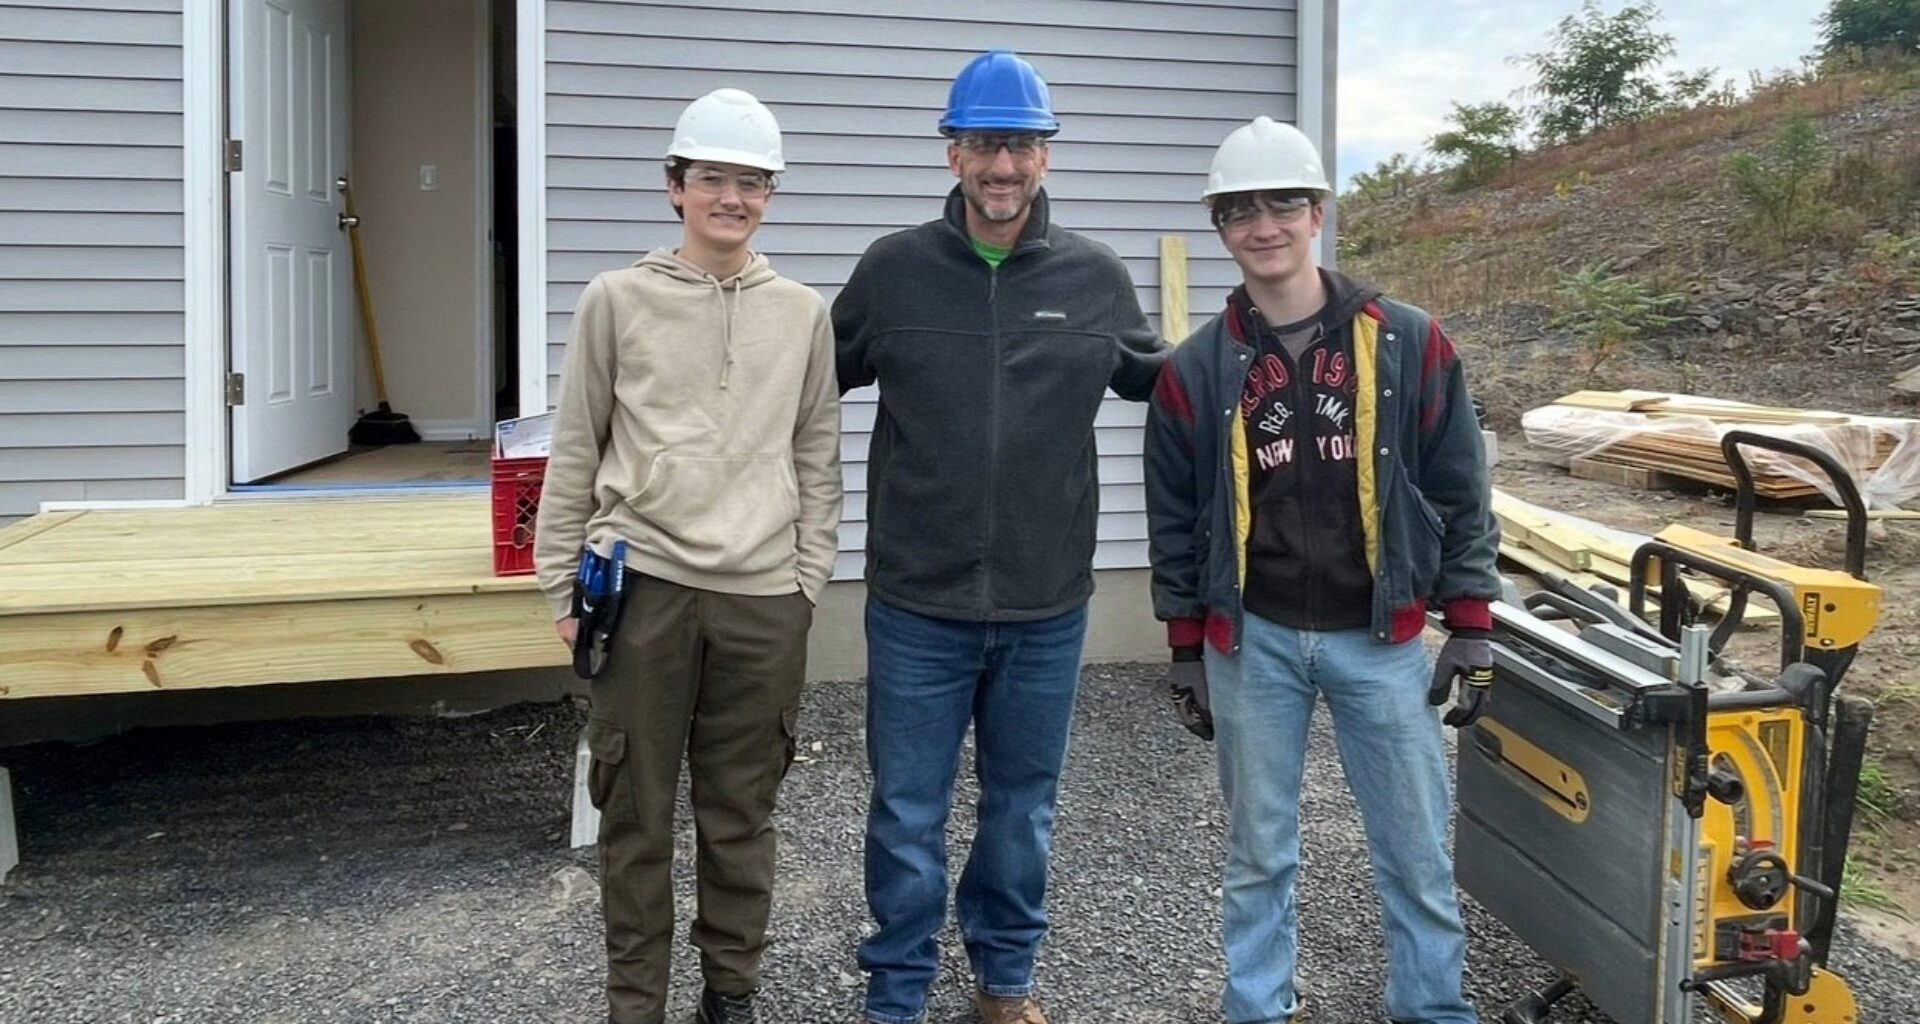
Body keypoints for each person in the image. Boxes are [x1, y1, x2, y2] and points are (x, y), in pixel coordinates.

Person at [832, 49, 1165, 1024]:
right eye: (984, 144)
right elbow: (800, 379)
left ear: (1046, 156)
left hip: (1046, 602)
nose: (1002, 166)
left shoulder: (1095, 280)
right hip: (916, 601)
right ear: (952, 153)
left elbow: (1168, 383)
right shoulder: (893, 272)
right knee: (906, 814)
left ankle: (1003, 986)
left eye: (1020, 144)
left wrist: (1272, 344)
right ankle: (894, 996)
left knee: (1022, 810)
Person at [1142, 116, 1500, 1024]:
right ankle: (1256, 1008)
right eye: (1241, 210)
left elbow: (1461, 486)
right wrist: (1187, 644)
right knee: (1258, 852)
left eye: (1284, 204)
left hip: (1380, 640)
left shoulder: (1410, 342)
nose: (1264, 225)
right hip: (1251, 640)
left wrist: (1471, 622)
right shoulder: (1196, 370)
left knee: (1414, 851)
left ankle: (1433, 1011)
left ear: (1318, 213)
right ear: (1220, 225)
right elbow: (1178, 518)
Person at [533, 88, 842, 1024]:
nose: (732, 199)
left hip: (762, 600)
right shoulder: (616, 300)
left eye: (753, 183)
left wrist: (807, 580)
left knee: (740, 814)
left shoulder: (801, 314)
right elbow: (576, 448)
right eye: (713, 178)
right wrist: (559, 584)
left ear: (771, 196)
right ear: (675, 186)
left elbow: (817, 452)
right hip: (643, 592)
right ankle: (638, 1005)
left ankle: (730, 994)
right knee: (633, 814)